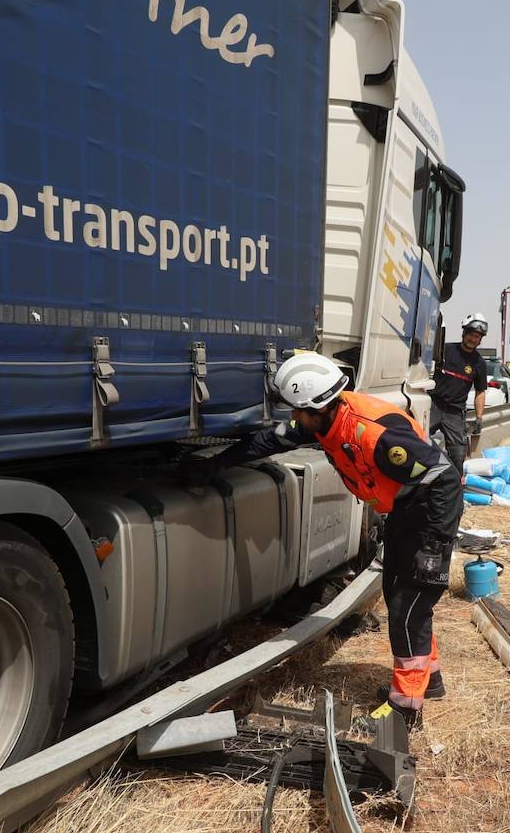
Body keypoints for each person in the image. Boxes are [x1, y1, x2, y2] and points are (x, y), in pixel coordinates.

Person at [197, 353, 463, 732]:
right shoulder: (323, 423)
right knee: (401, 599)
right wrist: (212, 464)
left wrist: (435, 543)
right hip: (404, 510)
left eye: (297, 411)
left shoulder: (374, 435)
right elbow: (268, 442)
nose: (294, 419)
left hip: (428, 512)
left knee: (409, 608)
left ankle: (405, 708)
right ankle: (429, 680)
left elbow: (444, 477)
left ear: (316, 407)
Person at [429, 313, 489, 474]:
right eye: (471, 334)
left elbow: (480, 392)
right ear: (464, 333)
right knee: (418, 440)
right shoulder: (445, 350)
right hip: (433, 404)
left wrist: (479, 418)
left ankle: (455, 486)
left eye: (477, 336)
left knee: (458, 453)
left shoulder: (479, 363)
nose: (473, 339)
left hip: (455, 412)